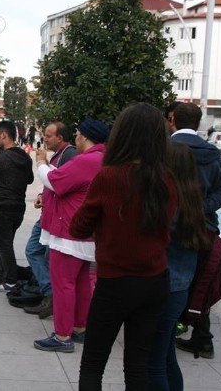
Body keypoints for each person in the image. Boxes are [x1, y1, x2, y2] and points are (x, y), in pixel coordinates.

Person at [70, 103, 178, 390]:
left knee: (93, 364)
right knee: (137, 366)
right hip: (155, 281)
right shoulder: (167, 179)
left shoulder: (110, 177)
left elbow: (78, 227)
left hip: (115, 282)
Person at [32, 118, 108, 353]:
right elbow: (66, 178)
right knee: (82, 281)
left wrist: (41, 162)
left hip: (69, 233)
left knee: (63, 283)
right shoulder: (100, 158)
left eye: (77, 134)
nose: (75, 137)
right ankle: (79, 327)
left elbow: (56, 182)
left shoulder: (88, 159)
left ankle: (63, 334)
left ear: (85, 137)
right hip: (84, 232)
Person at [168, 102, 221, 359]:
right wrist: (202, 208)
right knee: (199, 282)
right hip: (204, 228)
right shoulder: (212, 153)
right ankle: (202, 339)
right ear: (199, 123)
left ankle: (166, 330)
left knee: (170, 281)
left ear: (171, 119)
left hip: (169, 226)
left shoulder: (164, 150)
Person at [148, 142, 211, 390]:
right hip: (179, 287)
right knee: (165, 357)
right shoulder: (193, 200)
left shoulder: (170, 204)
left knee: (154, 362)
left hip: (164, 286)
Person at [23, 121, 78, 319]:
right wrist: (41, 194)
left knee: (38, 252)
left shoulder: (70, 155)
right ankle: (49, 294)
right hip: (48, 213)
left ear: (60, 138)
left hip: (58, 217)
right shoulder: (58, 155)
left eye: (48, 135)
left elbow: (61, 183)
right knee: (36, 251)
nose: (44, 138)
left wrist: (41, 163)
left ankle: (51, 296)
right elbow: (52, 183)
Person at [0, 120, 34, 291]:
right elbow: (30, 179)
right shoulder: (25, 157)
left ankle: (10, 280)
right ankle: (0, 273)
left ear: (4, 135)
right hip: (18, 207)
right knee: (6, 241)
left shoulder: (1, 158)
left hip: (1, 207)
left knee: (4, 244)